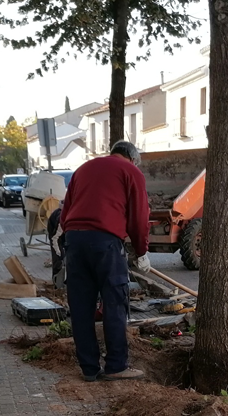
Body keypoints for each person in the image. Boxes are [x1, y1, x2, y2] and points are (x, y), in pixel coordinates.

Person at [61, 141, 151, 381]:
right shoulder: (131, 172)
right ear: (133, 158)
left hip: (74, 241)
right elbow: (139, 217)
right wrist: (141, 251)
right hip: (106, 243)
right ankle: (116, 366)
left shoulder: (83, 169)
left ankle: (89, 369)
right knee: (114, 303)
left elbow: (65, 212)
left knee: (81, 306)